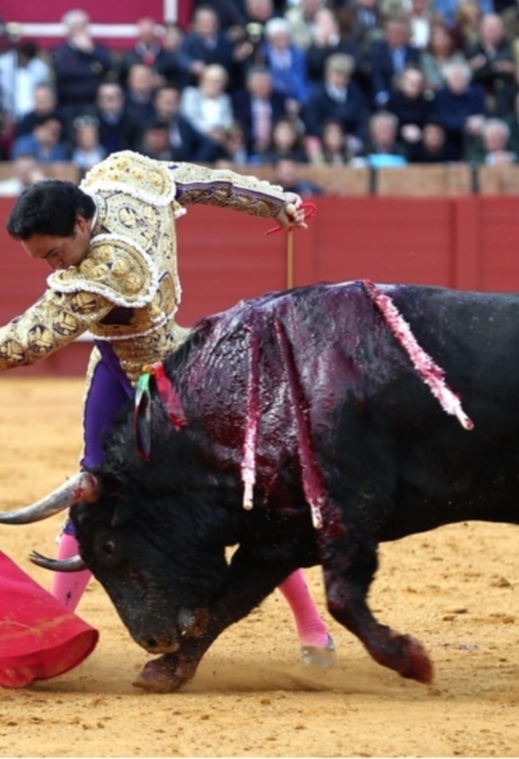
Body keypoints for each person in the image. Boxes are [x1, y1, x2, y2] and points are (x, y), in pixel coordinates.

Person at [0, 151, 335, 666]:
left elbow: (29, 338)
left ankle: (312, 626)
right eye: (42, 258)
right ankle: (54, 628)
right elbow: (203, 182)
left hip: (170, 385)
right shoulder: (125, 181)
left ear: (81, 223)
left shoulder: (112, 267)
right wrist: (273, 202)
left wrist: (272, 203)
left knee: (232, 499)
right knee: (91, 488)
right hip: (115, 365)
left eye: (55, 253)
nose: (54, 266)